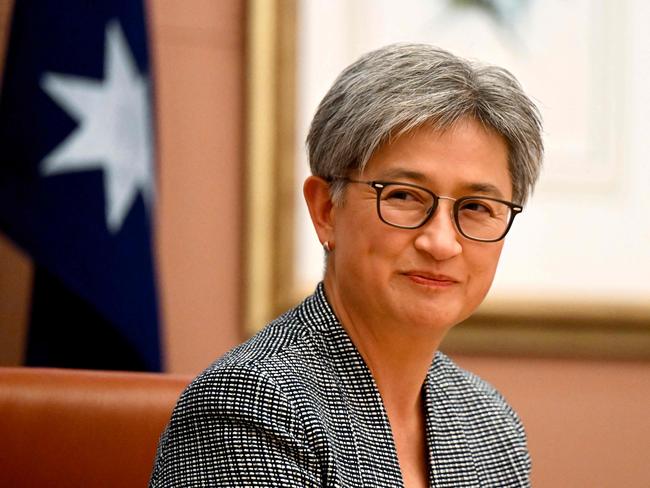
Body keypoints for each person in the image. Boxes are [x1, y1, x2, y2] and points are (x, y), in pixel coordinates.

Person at [149, 43, 543, 488]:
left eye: (476, 206)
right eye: (403, 196)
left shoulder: (490, 425)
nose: (441, 242)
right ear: (325, 210)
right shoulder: (251, 404)